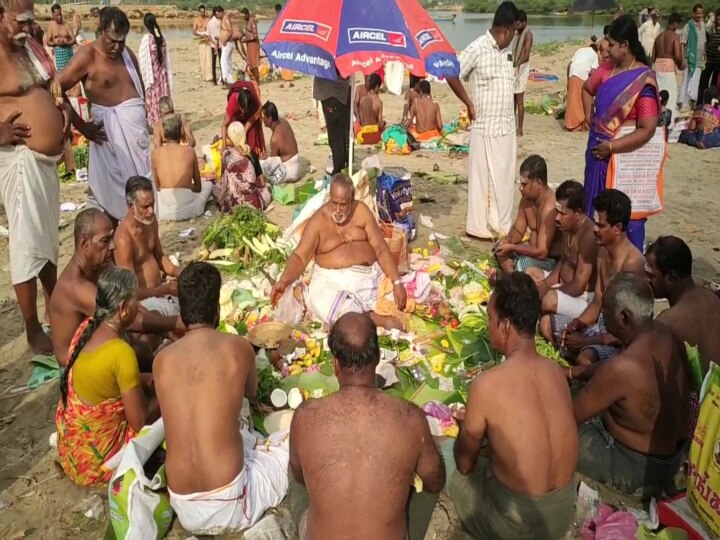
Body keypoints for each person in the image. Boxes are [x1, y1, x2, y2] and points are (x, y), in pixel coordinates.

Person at [155, 262, 289, 535]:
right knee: (292, 442)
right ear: (217, 308)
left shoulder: (162, 361)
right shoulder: (237, 347)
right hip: (230, 503)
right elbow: (250, 394)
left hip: (184, 505)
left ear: (182, 310)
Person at [443, 273, 578, 538]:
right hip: (561, 514)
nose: (488, 326)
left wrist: (464, 430)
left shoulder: (488, 385)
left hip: (516, 525)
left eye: (490, 320)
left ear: (505, 326)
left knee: (441, 450)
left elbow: (465, 464)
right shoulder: (556, 373)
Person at [289, 312, 445, 540]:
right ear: (379, 356)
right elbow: (435, 481)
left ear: (335, 363)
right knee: (437, 459)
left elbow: (301, 477)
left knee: (294, 474)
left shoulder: (304, 416)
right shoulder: (410, 417)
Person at [572, 272, 690, 497]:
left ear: (625, 318)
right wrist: (572, 373)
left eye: (605, 312)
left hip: (634, 466)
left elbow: (571, 415)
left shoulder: (621, 367)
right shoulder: (665, 333)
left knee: (556, 429)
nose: (602, 318)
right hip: (671, 459)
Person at [0, 0, 68, 354]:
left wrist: (62, 114)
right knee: (26, 244)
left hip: (45, 162)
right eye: (19, 20)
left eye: (30, 19)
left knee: (46, 241)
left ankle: (54, 311)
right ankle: (30, 328)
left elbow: (48, 87)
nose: (26, 26)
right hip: (20, 159)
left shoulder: (28, 45)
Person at [55, 267, 160, 486]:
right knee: (170, 405)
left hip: (74, 451)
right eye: (135, 303)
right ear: (123, 309)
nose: (138, 308)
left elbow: (101, 378)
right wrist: (168, 391)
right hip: (99, 463)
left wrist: (140, 379)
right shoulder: (121, 354)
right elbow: (139, 422)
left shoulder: (86, 328)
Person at [271, 174, 408, 330]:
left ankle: (357, 317)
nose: (337, 210)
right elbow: (300, 256)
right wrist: (284, 280)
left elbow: (381, 248)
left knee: (403, 299)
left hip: (367, 278)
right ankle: (374, 319)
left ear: (352, 199)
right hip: (330, 281)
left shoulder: (361, 211)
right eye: (333, 203)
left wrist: (397, 282)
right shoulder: (319, 221)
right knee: (321, 301)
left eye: (342, 205)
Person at [48, 209, 180, 367]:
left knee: (152, 323)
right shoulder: (75, 287)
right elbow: (126, 318)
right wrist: (177, 323)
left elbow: (131, 304)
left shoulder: (101, 264)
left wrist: (166, 330)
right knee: (136, 353)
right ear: (84, 243)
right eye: (105, 240)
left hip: (101, 342)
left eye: (112, 237)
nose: (112, 246)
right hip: (78, 367)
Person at [58, 7, 152, 223]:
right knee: (110, 203)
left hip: (136, 140)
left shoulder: (127, 55)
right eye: (113, 40)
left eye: (122, 40)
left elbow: (139, 89)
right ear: (101, 31)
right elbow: (56, 86)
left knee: (144, 196)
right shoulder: (87, 55)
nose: (117, 46)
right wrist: (81, 126)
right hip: (108, 142)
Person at [582, 15, 660, 252]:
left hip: (626, 159)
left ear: (625, 47)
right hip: (597, 151)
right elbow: (587, 89)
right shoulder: (606, 69)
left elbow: (647, 129)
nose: (606, 51)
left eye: (612, 45)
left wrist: (612, 147)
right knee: (594, 207)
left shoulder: (642, 79)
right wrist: (589, 115)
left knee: (625, 216)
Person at [447, 2, 518, 240]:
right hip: (485, 127)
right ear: (506, 30)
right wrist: (468, 102)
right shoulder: (478, 47)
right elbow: (451, 71)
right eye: (513, 34)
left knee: (505, 181)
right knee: (483, 182)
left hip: (506, 127)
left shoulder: (507, 52)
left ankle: (502, 226)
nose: (512, 39)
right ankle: (480, 229)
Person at [561, 189, 645, 368]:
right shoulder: (601, 252)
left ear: (617, 228)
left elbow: (629, 328)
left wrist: (584, 341)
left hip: (619, 339)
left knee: (585, 358)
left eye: (601, 225)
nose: (594, 229)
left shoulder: (632, 264)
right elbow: (597, 304)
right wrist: (577, 324)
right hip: (599, 326)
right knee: (547, 324)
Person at [528, 180, 598, 343]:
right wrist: (545, 284)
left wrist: (548, 291)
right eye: (557, 212)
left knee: (549, 299)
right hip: (562, 286)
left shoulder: (588, 236)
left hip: (582, 298)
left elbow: (579, 285)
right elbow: (563, 262)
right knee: (530, 273)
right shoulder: (567, 226)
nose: (557, 218)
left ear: (578, 213)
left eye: (563, 214)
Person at [646, 236, 720, 374]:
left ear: (671, 277)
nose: (646, 280)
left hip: (704, 393)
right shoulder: (711, 298)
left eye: (651, 275)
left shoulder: (669, 321)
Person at [114, 176, 182, 316]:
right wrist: (164, 290)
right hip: (144, 302)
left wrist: (180, 273)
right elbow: (130, 291)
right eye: (145, 206)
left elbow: (159, 256)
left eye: (152, 204)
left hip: (161, 290)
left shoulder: (150, 221)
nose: (151, 211)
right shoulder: (123, 239)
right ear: (130, 205)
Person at [495, 155, 561, 274]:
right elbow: (518, 230)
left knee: (522, 264)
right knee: (498, 250)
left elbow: (542, 252)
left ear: (538, 183)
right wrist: (508, 240)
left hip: (549, 260)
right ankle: (515, 278)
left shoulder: (549, 207)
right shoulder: (527, 200)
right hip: (532, 253)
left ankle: (515, 280)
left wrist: (512, 247)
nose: (521, 188)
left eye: (525, 184)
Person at [153, 114, 212, 221]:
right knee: (208, 184)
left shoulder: (155, 153)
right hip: (190, 210)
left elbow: (157, 187)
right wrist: (186, 186)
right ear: (181, 133)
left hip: (162, 211)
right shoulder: (189, 151)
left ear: (165, 135)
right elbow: (198, 188)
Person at [214, 121, 270, 212]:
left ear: (230, 138)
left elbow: (223, 180)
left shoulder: (226, 154)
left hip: (233, 204)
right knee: (267, 188)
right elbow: (262, 183)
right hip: (254, 204)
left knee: (215, 188)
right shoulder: (251, 154)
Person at [259, 101, 306, 184]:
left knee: (261, 163)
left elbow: (274, 161)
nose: (263, 120)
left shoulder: (274, 139)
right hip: (297, 164)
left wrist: (265, 158)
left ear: (270, 118)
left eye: (264, 117)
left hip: (289, 171)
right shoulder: (284, 121)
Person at [313, 73, 350, 175]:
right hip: (332, 93)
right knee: (339, 135)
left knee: (336, 138)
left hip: (333, 94)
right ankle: (341, 167)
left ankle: (338, 171)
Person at [139, 13, 171, 128]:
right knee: (163, 98)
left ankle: (155, 124)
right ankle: (166, 121)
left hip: (152, 77)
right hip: (162, 76)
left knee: (153, 100)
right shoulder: (161, 38)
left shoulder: (147, 39)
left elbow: (142, 61)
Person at [653, 12, 683, 123]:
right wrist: (680, 64)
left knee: (658, 96)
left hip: (657, 68)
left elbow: (653, 56)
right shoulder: (675, 37)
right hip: (668, 69)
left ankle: (656, 120)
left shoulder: (658, 37)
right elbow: (677, 55)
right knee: (670, 97)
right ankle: (668, 122)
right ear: (675, 24)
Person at [222, 80, 265, 155]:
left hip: (250, 116)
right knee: (234, 135)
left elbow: (251, 121)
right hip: (236, 118)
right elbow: (225, 124)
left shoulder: (254, 103)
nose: (244, 112)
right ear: (238, 103)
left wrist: (243, 134)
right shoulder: (233, 101)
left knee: (252, 145)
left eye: (246, 110)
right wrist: (224, 146)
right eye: (242, 109)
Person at [565, 41, 599, 131]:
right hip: (582, 73)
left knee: (572, 98)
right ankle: (577, 123)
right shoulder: (594, 55)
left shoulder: (580, 50)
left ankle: (570, 122)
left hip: (572, 71)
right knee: (580, 100)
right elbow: (593, 71)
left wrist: (568, 80)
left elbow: (569, 64)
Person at [679, 4, 706, 110]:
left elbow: (703, 42)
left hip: (699, 60)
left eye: (701, 13)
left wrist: (705, 56)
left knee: (696, 82)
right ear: (694, 13)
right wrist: (682, 59)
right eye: (698, 13)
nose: (700, 15)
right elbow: (683, 43)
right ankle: (682, 104)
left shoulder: (703, 25)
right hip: (689, 59)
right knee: (686, 81)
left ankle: (693, 104)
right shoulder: (688, 26)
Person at [513, 10, 532, 136]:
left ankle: (520, 129)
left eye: (519, 24)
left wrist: (518, 63)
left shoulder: (528, 34)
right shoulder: (517, 34)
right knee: (512, 100)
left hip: (522, 69)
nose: (517, 26)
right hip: (515, 68)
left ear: (524, 22)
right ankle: (511, 126)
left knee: (520, 100)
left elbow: (526, 55)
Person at [354, 73, 385, 145]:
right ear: (377, 86)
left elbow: (361, 120)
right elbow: (380, 124)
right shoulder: (379, 102)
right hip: (375, 137)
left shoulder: (362, 100)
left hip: (363, 137)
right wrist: (383, 124)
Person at [46, 3, 76, 71]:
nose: (59, 17)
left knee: (70, 71)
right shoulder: (51, 25)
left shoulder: (66, 24)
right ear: (53, 15)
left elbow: (74, 40)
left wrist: (66, 43)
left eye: (60, 14)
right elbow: (48, 42)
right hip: (58, 53)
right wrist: (56, 43)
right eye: (57, 15)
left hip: (68, 51)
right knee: (60, 74)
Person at [699, 12, 720, 105]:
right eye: (717, 19)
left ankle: (712, 103)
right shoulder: (709, 29)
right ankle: (700, 102)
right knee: (703, 82)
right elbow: (704, 42)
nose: (718, 21)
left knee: (714, 84)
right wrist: (705, 56)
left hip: (718, 62)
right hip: (709, 60)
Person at [193, 5, 213, 84]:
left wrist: (208, 35)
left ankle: (209, 76)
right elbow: (194, 31)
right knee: (203, 58)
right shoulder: (196, 20)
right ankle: (204, 76)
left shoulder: (207, 20)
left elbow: (210, 30)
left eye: (203, 11)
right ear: (199, 12)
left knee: (209, 58)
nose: (202, 13)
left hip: (207, 41)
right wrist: (201, 35)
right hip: (201, 41)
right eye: (201, 12)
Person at [219, 7, 237, 86]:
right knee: (228, 61)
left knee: (223, 61)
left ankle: (225, 78)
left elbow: (230, 31)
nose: (218, 15)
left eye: (218, 13)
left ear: (222, 12)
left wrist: (225, 40)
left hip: (227, 43)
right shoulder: (224, 19)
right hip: (228, 43)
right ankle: (230, 79)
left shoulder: (226, 19)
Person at [241, 8, 260, 85]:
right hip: (249, 44)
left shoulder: (252, 21)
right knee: (250, 63)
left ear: (247, 14)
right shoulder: (247, 22)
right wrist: (243, 34)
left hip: (254, 44)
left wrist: (246, 40)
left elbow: (255, 36)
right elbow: (248, 32)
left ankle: (257, 80)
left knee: (254, 63)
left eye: (244, 15)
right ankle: (254, 79)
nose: (243, 17)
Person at [207, 6, 222, 86]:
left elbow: (208, 35)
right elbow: (219, 34)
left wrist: (212, 42)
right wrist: (216, 43)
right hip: (218, 45)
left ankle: (214, 81)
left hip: (212, 45)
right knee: (221, 62)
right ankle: (222, 78)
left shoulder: (209, 22)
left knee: (213, 62)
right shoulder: (218, 22)